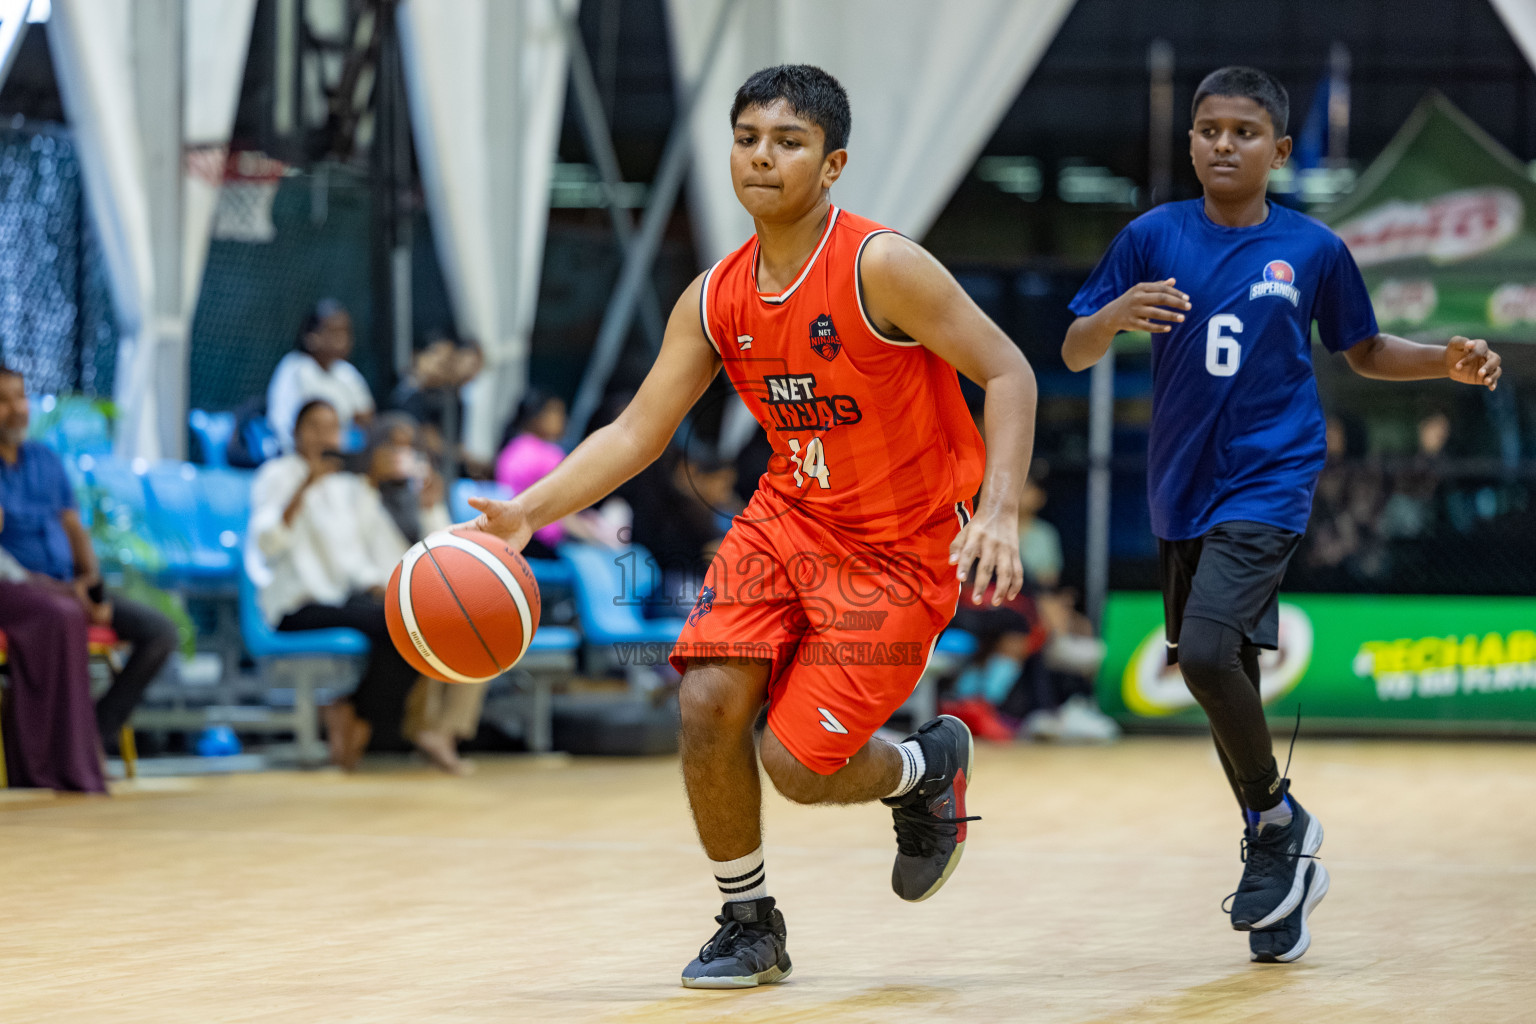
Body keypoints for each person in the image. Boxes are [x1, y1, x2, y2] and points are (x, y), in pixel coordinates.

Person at [464, 65, 1036, 988]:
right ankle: (748, 921)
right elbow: (638, 431)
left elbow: (1009, 371)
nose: (762, 157)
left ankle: (924, 767)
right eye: (747, 138)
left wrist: (1000, 508)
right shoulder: (714, 296)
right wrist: (529, 510)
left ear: (833, 163)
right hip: (785, 523)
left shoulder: (881, 266)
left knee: (796, 767)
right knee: (705, 700)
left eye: (789, 142)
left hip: (898, 550)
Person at [1062, 66, 1501, 964]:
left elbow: (1364, 349)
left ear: (1281, 150)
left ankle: (1277, 821)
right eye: (1209, 130)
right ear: (1191, 142)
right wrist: (1111, 318)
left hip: (1270, 478)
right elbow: (1072, 351)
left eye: (1245, 132)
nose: (1224, 144)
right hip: (1179, 489)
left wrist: (1443, 362)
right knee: (1227, 678)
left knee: (1208, 655)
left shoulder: (1312, 248)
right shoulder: (1150, 236)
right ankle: (1283, 882)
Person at [248, 399, 465, 774]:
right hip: (295, 603)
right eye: (315, 427)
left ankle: (354, 711)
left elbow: (359, 554)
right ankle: (355, 714)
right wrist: (305, 486)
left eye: (332, 428)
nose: (324, 436)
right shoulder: (276, 475)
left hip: (340, 600)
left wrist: (379, 585)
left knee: (412, 625)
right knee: (395, 626)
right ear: (296, 432)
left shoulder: (348, 487)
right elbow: (268, 542)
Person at [0, 366, 179, 753]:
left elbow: (74, 527)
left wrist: (91, 586)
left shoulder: (45, 460)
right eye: (3, 400)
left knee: (160, 633)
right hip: (24, 597)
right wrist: (65, 593)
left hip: (73, 588)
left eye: (20, 397)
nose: (16, 409)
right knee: (60, 613)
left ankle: (93, 733)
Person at [0, 542, 106, 793]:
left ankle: (73, 759)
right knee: (58, 614)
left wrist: (71, 588)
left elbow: (18, 574)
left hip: (18, 581)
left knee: (70, 609)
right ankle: (38, 764)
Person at [266, 298, 376, 452]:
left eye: (346, 333)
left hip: (339, 451)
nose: (343, 340)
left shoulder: (346, 372)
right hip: (298, 452)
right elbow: (283, 425)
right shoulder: (295, 368)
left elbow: (366, 416)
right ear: (311, 337)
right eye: (334, 333)